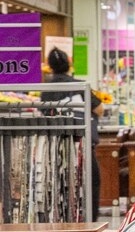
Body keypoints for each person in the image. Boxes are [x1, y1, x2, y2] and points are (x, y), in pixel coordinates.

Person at [41, 47, 104, 221]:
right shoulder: (80, 85)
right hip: (82, 144)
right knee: (90, 183)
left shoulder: (45, 90)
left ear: (50, 66)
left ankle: (62, 222)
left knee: (60, 186)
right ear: (69, 64)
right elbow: (99, 109)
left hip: (56, 145)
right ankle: (89, 224)